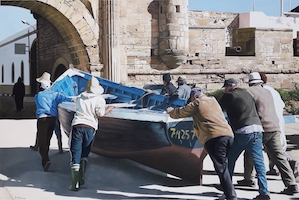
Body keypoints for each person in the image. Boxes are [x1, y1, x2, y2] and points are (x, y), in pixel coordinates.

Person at [167, 87, 237, 200]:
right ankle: (227, 192)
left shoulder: (197, 103)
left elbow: (181, 112)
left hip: (214, 137)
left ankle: (231, 196)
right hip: (228, 135)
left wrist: (171, 112)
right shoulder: (213, 101)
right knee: (224, 166)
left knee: (221, 168)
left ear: (194, 97)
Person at [243, 72, 299, 195]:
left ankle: (248, 179)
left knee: (250, 152)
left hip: (261, 127)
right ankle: (291, 183)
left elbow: (248, 110)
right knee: (279, 156)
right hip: (274, 126)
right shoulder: (268, 92)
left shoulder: (249, 92)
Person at [219, 78, 270, 200]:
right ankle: (264, 192)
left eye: (225, 88)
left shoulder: (228, 96)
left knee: (229, 161)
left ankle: (227, 191)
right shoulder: (247, 93)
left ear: (228, 87)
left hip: (243, 131)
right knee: (259, 164)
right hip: (257, 129)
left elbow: (217, 110)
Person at [68, 76, 114, 191]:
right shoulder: (100, 100)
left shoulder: (79, 97)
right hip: (90, 127)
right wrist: (109, 108)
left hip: (78, 125)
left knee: (75, 153)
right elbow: (100, 113)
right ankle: (82, 177)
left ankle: (74, 184)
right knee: (85, 152)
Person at [259, 72, 296, 175]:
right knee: (273, 147)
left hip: (268, 122)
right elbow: (282, 105)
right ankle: (273, 169)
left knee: (274, 148)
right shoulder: (273, 91)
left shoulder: (261, 92)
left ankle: (288, 161)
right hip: (278, 121)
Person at [35, 72, 72, 171]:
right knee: (48, 138)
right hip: (52, 119)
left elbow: (38, 105)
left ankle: (45, 160)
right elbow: (67, 99)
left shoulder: (38, 95)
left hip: (42, 119)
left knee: (42, 140)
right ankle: (50, 153)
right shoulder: (56, 95)